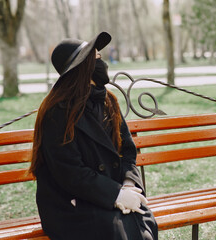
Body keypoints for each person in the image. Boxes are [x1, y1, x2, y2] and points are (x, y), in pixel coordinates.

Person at [29, 32, 158, 240]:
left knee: (143, 222)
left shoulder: (108, 100)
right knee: (115, 229)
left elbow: (127, 150)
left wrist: (128, 185)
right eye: (97, 58)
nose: (103, 63)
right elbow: (70, 173)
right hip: (70, 204)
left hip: (107, 193)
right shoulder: (58, 112)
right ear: (83, 67)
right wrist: (115, 195)